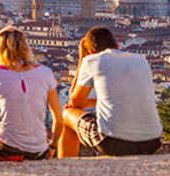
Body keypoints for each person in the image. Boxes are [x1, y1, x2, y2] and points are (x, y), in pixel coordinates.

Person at [59, 27, 162, 157]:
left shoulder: (92, 60)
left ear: (91, 52)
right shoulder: (140, 60)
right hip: (152, 142)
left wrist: (82, 60)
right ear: (117, 45)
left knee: (67, 114)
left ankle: (64, 167)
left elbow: (74, 102)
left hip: (112, 142)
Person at [0, 26, 62, 160]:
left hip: (7, 148)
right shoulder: (45, 73)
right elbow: (59, 121)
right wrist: (52, 147)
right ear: (26, 46)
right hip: (39, 150)